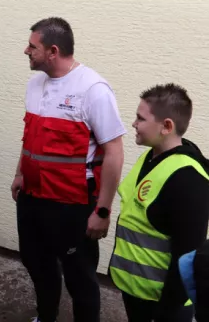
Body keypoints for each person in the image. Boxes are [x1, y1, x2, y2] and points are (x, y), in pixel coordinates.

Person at [12, 17, 126, 322]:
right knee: (36, 263)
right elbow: (31, 135)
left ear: (52, 51)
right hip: (33, 198)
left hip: (73, 206)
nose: (26, 50)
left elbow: (114, 151)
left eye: (32, 46)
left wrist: (102, 211)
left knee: (80, 277)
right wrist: (19, 173)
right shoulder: (35, 84)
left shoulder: (93, 89)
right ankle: (46, 315)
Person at [109, 83, 209, 322]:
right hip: (136, 291)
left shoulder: (188, 179)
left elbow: (187, 256)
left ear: (166, 126)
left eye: (140, 118)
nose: (133, 123)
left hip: (163, 304)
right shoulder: (151, 156)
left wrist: (165, 313)